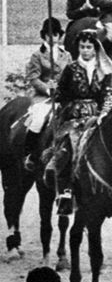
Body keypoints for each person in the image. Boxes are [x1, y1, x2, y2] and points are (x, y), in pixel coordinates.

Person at [49, 30, 112, 215]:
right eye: (82, 47)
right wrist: (54, 91)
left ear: (95, 49)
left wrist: (104, 112)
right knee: (68, 149)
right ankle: (66, 192)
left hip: (98, 115)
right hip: (75, 117)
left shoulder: (103, 70)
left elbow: (108, 95)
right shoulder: (71, 68)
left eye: (89, 47)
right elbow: (61, 94)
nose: (85, 51)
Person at [23, 18, 73, 172]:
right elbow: (33, 78)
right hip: (44, 98)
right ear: (44, 36)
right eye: (49, 34)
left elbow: (72, 74)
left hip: (64, 97)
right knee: (38, 120)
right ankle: (29, 154)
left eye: (56, 34)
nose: (53, 38)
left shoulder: (67, 55)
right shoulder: (38, 55)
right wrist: (47, 89)